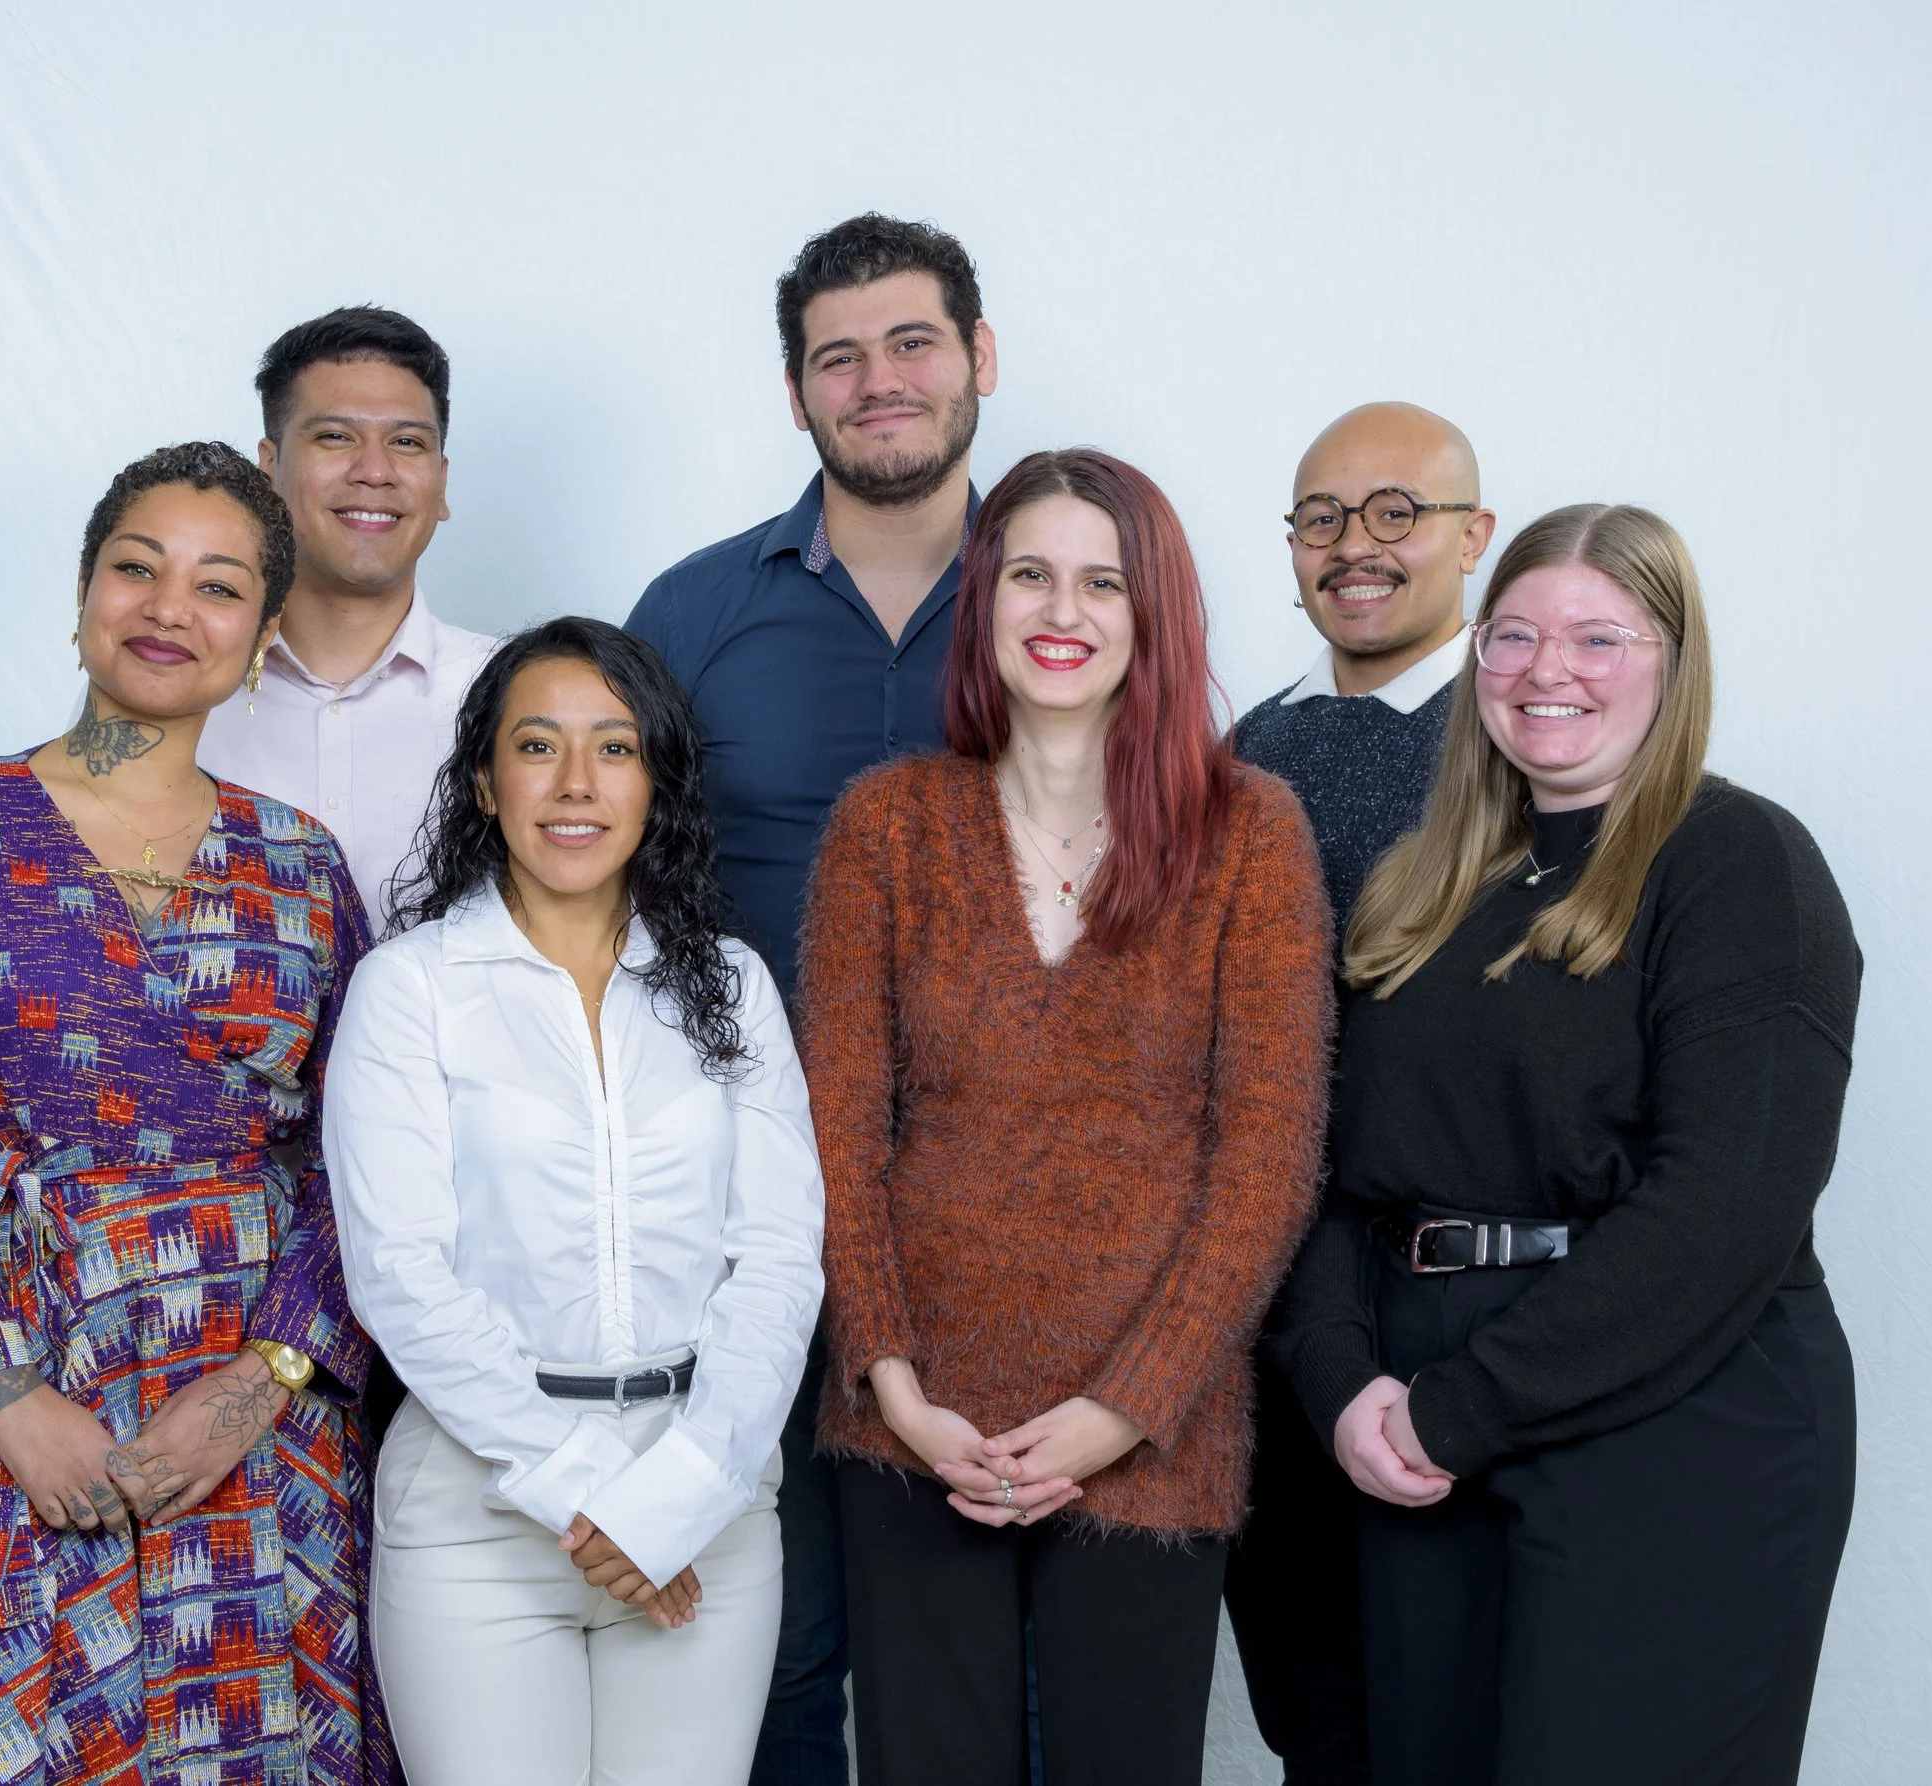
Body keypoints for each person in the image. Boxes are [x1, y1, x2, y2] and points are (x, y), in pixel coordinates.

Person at [0, 442, 393, 1785]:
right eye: (137, 567)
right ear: (82, 593)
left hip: (247, 1415)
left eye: (219, 585)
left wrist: (261, 1383)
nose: (168, 607)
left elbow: (365, 1154)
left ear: (263, 632)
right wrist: (7, 1392)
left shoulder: (302, 863)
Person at [1266, 504, 1860, 1786]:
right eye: (1515, 635)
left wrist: (1459, 1409)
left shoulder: (1739, 862)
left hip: (1669, 1420)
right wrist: (1340, 1377)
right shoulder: (1421, 887)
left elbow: (1729, 1200)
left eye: (1599, 637)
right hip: (1411, 1425)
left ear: (1673, 661)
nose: (1548, 670)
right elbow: (1322, 1166)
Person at [799, 449, 1335, 1786]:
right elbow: (836, 1135)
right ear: (981, 599)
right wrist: (893, 1383)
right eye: (1030, 574)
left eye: (1104, 582)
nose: (1063, 609)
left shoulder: (1250, 834)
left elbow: (1266, 1161)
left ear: (1155, 613)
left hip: (1150, 1430)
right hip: (917, 1427)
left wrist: (1126, 1406)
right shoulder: (888, 826)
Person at [323, 619, 825, 1786]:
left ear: (657, 779)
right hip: (478, 1510)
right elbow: (399, 1274)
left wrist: (684, 1492)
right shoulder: (410, 989)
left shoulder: (732, 985)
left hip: (707, 1501)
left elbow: (778, 1257)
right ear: (484, 782)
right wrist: (593, 1496)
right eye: (537, 745)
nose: (576, 784)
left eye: (615, 747)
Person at [625, 211, 996, 1785]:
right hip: (745, 1200)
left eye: (913, 342)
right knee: (773, 1632)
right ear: (796, 393)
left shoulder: (1071, 595)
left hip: (997, 1205)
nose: (880, 380)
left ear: (981, 359)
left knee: (970, 1634)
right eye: (839, 357)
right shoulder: (694, 611)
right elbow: (615, 890)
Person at [1225, 401, 1497, 1784]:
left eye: (1398, 511)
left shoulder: (1523, 739)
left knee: (1457, 1714)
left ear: (1474, 535)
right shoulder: (1246, 750)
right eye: (1322, 518)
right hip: (1270, 1308)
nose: (1356, 545)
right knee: (1318, 1711)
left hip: (1450, 1304)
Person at [200, 304, 496, 925]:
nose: (375, 472)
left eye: (407, 442)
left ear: (441, 483)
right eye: (335, 437)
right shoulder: (179, 685)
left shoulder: (508, 695)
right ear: (268, 468)